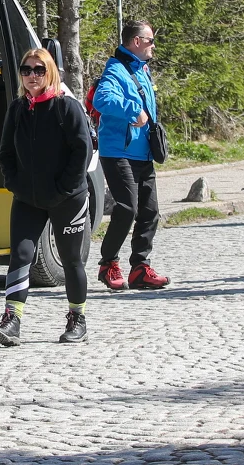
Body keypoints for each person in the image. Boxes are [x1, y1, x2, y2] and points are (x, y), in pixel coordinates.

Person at [0, 48, 93, 346]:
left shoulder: (67, 107)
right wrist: (15, 184)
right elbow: (5, 153)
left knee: (72, 260)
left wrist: (63, 188)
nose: (32, 75)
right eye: (26, 70)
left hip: (67, 198)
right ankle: (12, 320)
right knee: (20, 255)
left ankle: (77, 318)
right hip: (28, 198)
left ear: (50, 72)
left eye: (38, 70)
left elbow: (81, 153)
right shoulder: (18, 108)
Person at [93, 20, 170, 290]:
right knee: (127, 209)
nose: (153, 45)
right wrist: (131, 110)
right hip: (118, 152)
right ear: (136, 42)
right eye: (149, 40)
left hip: (143, 153)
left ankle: (140, 268)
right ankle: (108, 264)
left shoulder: (142, 69)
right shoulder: (115, 70)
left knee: (150, 212)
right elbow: (101, 99)